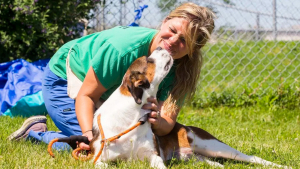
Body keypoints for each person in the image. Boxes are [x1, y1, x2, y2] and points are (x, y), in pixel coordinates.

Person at [8, 2, 215, 150]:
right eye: (172, 30)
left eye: (184, 41)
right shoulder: (123, 49)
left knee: (126, 144)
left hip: (107, 93)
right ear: (164, 21)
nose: (173, 41)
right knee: (97, 147)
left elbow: (167, 124)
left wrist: (157, 121)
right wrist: (88, 134)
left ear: (193, 49)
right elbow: (86, 95)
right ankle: (35, 134)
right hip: (68, 77)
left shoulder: (181, 70)